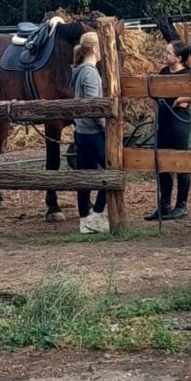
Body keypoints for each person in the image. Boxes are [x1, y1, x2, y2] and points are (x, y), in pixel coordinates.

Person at [146, 41, 191, 221]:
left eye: (168, 53)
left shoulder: (187, 74)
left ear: (179, 58)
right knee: (163, 162)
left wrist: (180, 100)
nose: (165, 55)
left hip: (179, 119)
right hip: (164, 119)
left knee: (181, 161)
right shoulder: (163, 72)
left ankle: (181, 205)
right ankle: (164, 204)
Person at [70, 32, 109, 234]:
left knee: (85, 174)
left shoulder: (79, 71)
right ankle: (97, 213)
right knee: (112, 170)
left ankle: (84, 217)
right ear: (94, 49)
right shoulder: (90, 73)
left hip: (81, 130)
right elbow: (94, 106)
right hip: (92, 131)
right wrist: (106, 127)